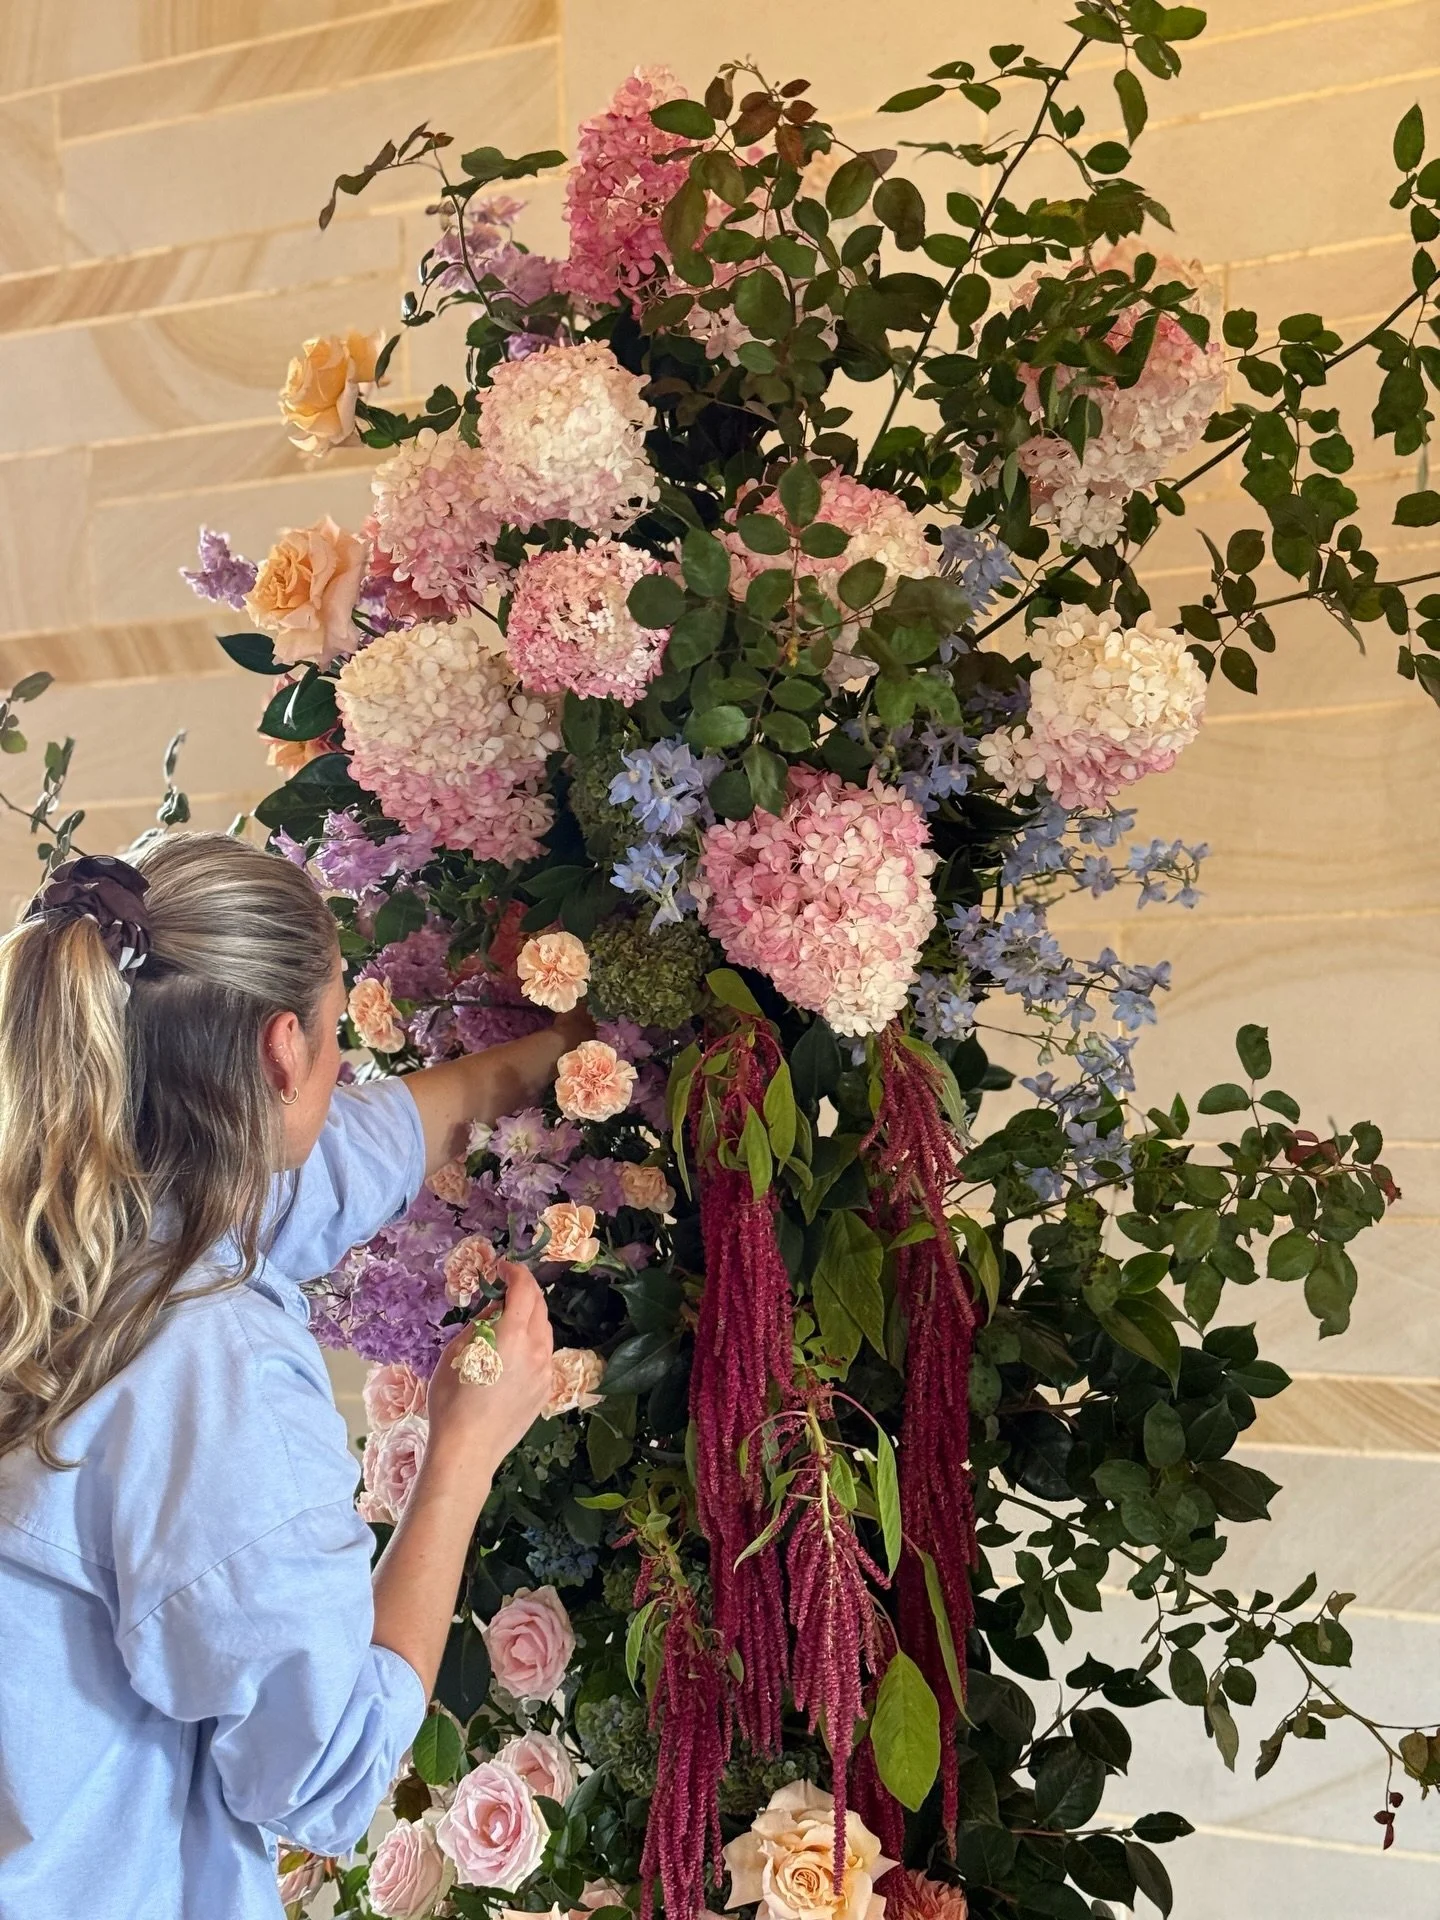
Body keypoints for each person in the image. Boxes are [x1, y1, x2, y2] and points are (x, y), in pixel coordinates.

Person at [0, 834, 585, 1919]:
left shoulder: (61, 1218)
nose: (342, 1070)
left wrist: (563, 1048)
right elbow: (327, 1770)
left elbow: (348, 1152)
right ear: (282, 1051)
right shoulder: (209, 1372)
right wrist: (464, 1448)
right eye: (333, 1036)